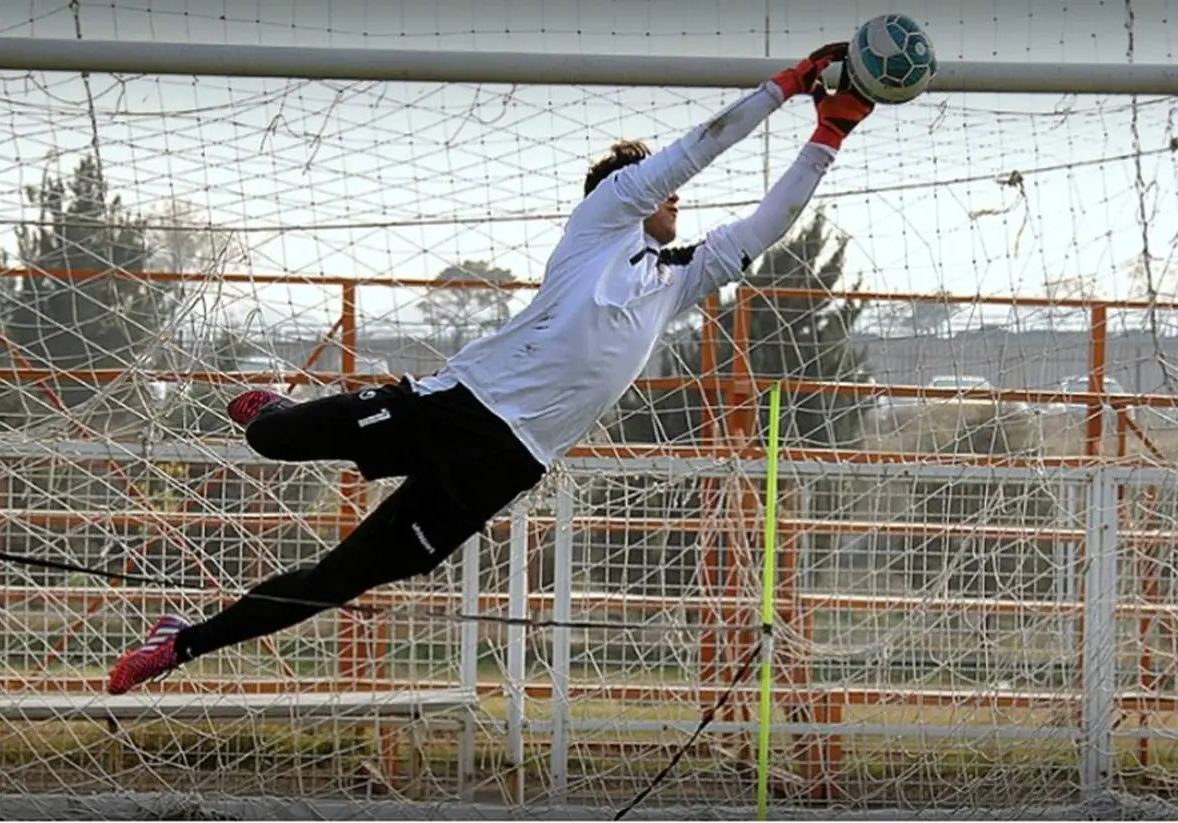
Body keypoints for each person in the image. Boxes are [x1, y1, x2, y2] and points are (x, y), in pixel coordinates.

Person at [106, 42, 873, 695]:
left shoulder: (677, 280)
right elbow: (695, 149)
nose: (676, 192)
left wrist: (828, 133)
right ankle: (276, 412)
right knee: (271, 441)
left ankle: (180, 642)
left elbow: (765, 225)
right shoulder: (599, 223)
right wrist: (784, 86)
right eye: (659, 184)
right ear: (620, 193)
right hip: (457, 406)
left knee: (340, 578)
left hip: (504, 465)